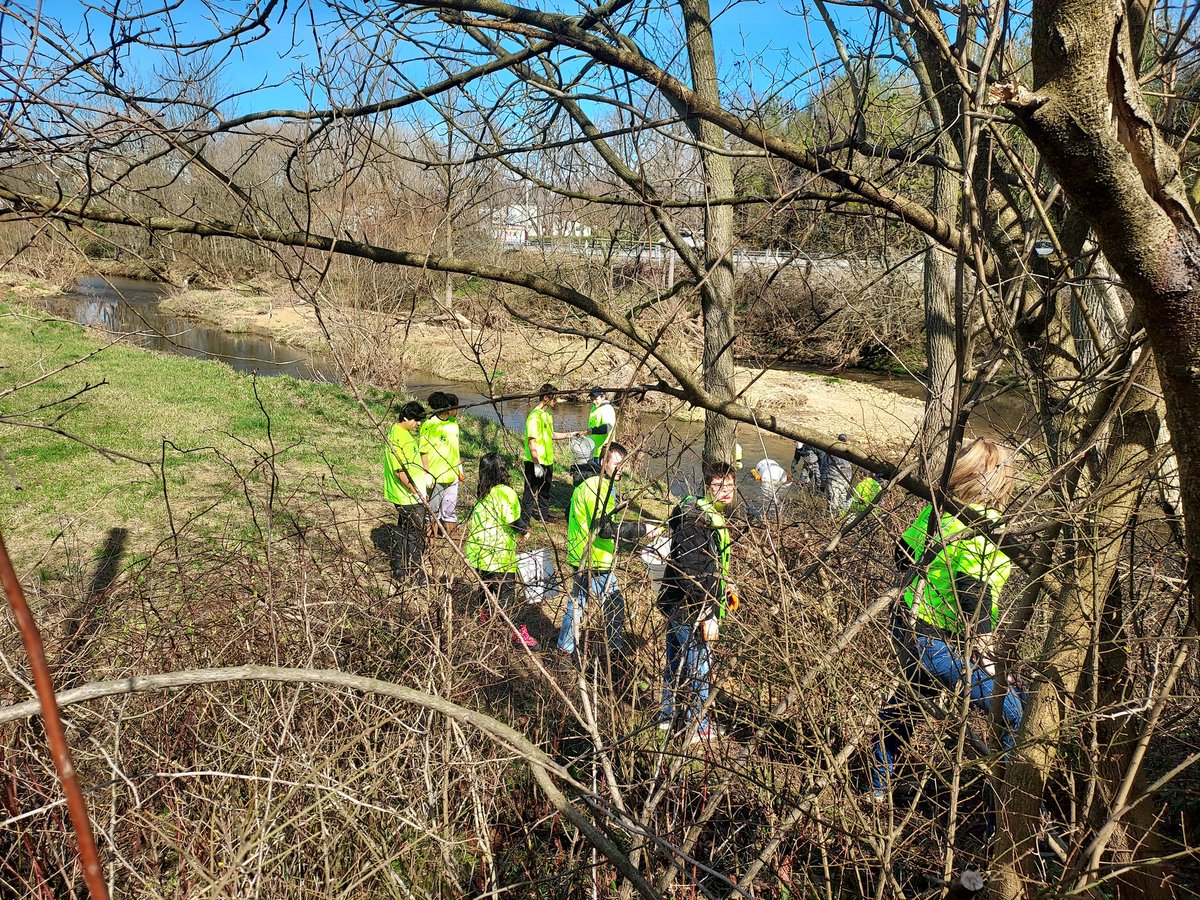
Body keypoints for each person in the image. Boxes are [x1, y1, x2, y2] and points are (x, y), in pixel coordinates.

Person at [870, 438, 1023, 800]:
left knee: (907, 702)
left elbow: (902, 555)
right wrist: (988, 664)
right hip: (938, 639)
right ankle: (1006, 812)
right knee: (1014, 712)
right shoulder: (986, 528)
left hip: (907, 625)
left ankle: (877, 783)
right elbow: (977, 600)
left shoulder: (938, 511)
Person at [657, 461, 737, 743]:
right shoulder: (697, 521)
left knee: (675, 662)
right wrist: (708, 613)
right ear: (707, 486)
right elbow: (691, 572)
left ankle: (668, 716)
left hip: (677, 604)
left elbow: (710, 566)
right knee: (700, 668)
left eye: (729, 486)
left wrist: (726, 587)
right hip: (692, 608)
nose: (725, 492)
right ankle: (698, 727)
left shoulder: (698, 512)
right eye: (718, 486)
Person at [556, 442, 656, 663]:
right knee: (613, 603)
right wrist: (643, 529)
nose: (621, 469)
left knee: (578, 601)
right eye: (617, 464)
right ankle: (613, 653)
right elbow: (605, 529)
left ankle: (565, 651)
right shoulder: (597, 488)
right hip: (593, 558)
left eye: (624, 465)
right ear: (603, 462)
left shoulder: (590, 484)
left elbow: (569, 512)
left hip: (581, 553)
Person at [465, 453, 538, 649]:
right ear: (503, 470)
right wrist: (525, 532)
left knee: (486, 587)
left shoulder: (483, 493)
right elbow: (512, 520)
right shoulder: (505, 492)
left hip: (479, 552)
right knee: (508, 597)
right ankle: (518, 635)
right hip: (499, 555)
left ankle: (485, 617)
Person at [383, 400, 432, 584]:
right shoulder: (398, 438)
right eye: (416, 420)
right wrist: (416, 492)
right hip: (407, 496)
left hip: (411, 494)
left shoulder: (401, 432)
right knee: (415, 535)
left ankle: (398, 569)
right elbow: (400, 472)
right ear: (406, 418)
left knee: (403, 530)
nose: (419, 424)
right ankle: (417, 575)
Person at [521, 383, 578, 525]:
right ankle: (524, 522)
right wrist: (536, 464)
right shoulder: (534, 417)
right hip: (534, 463)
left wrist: (571, 434)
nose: (556, 402)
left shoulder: (547, 415)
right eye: (554, 399)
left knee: (545, 491)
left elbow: (552, 435)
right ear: (546, 397)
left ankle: (544, 516)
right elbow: (531, 442)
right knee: (529, 493)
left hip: (547, 461)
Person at [421, 392, 465, 535]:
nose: (457, 410)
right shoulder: (429, 425)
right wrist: (427, 473)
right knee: (432, 511)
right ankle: (430, 541)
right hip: (436, 476)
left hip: (452, 475)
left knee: (450, 508)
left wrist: (459, 467)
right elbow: (423, 451)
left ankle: (453, 539)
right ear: (447, 408)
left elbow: (455, 447)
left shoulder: (453, 423)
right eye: (455, 407)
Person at [580, 387, 617, 479]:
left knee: (604, 479)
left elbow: (607, 427)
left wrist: (592, 431)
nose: (593, 401)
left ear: (603, 396)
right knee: (594, 478)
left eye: (596, 399)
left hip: (603, 452)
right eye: (592, 399)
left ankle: (610, 493)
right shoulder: (594, 408)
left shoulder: (608, 409)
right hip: (593, 450)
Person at [752, 456, 789, 521]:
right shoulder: (779, 472)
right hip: (775, 477)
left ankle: (769, 515)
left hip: (767, 477)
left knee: (768, 497)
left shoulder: (767, 473)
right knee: (777, 495)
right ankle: (776, 514)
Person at [826, 434, 853, 516]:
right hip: (843, 479)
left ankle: (834, 517)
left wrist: (823, 478)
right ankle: (839, 517)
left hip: (835, 479)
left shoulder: (831, 452)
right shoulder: (849, 452)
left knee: (834, 500)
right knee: (842, 499)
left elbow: (824, 464)